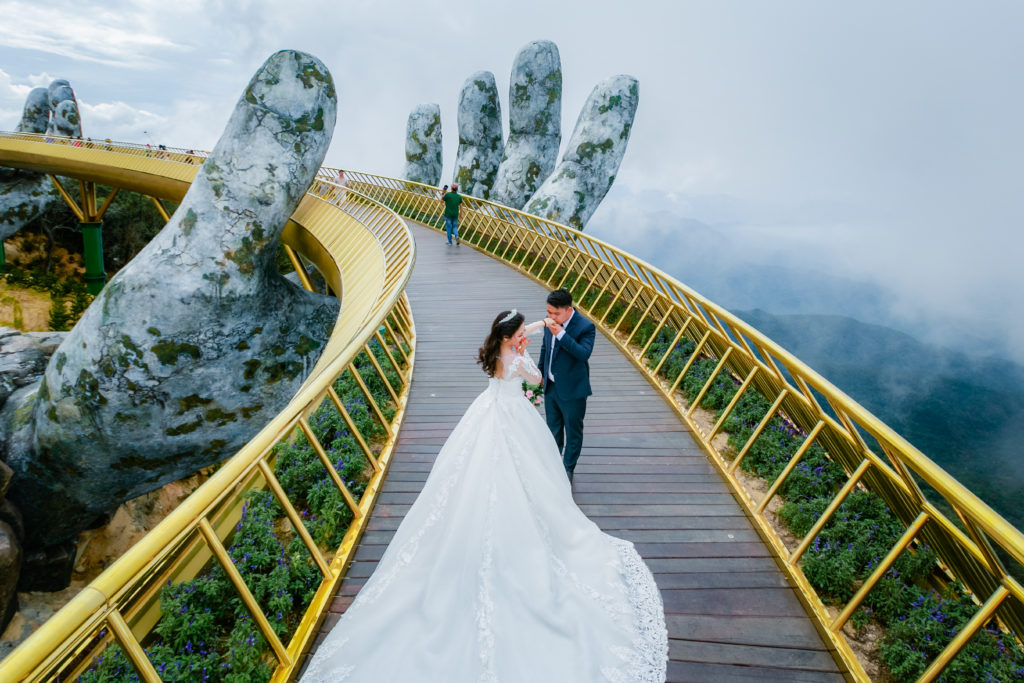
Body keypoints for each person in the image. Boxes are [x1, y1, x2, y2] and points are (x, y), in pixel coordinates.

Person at [301, 310, 667, 682]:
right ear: (512, 336)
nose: (525, 334)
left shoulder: (495, 354)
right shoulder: (518, 358)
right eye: (521, 331)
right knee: (527, 475)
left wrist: (529, 334)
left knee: (466, 476)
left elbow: (510, 365)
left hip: (488, 412)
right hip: (513, 418)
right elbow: (537, 380)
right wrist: (527, 351)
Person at [538, 288, 596, 483]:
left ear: (569, 310)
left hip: (573, 390)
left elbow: (583, 354)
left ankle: (568, 469)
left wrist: (562, 334)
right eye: (549, 312)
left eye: (556, 313)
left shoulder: (585, 327)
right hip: (551, 386)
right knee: (553, 429)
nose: (551, 317)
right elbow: (545, 348)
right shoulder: (549, 322)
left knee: (573, 431)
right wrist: (540, 374)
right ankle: (554, 467)